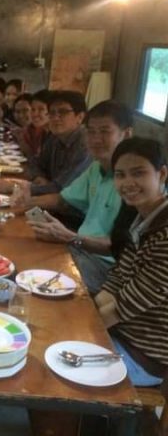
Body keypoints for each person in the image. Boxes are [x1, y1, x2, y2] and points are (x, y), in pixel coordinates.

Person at [19, 100, 134, 294]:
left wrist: (71, 237)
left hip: (107, 268)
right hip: (79, 249)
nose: (96, 139)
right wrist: (27, 202)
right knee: (21, 257)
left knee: (29, 279)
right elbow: (63, 199)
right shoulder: (97, 167)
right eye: (91, 132)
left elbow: (122, 247)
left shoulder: (134, 183)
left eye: (105, 132)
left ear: (127, 134)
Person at [95, 137, 168, 386]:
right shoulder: (143, 220)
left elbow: (122, 307)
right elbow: (116, 280)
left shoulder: (164, 235)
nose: (128, 183)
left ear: (162, 174)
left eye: (138, 173)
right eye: (120, 175)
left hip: (143, 357)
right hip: (122, 334)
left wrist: (81, 328)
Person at [26, 90, 92, 195]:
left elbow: (63, 188)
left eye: (63, 112)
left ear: (80, 117)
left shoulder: (86, 144)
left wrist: (17, 188)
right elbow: (35, 163)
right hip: (51, 198)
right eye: (52, 113)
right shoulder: (55, 137)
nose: (56, 118)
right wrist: (39, 177)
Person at [19, 89, 51, 158]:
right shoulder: (42, 132)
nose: (35, 114)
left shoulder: (56, 137)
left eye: (41, 109)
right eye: (33, 109)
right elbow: (33, 157)